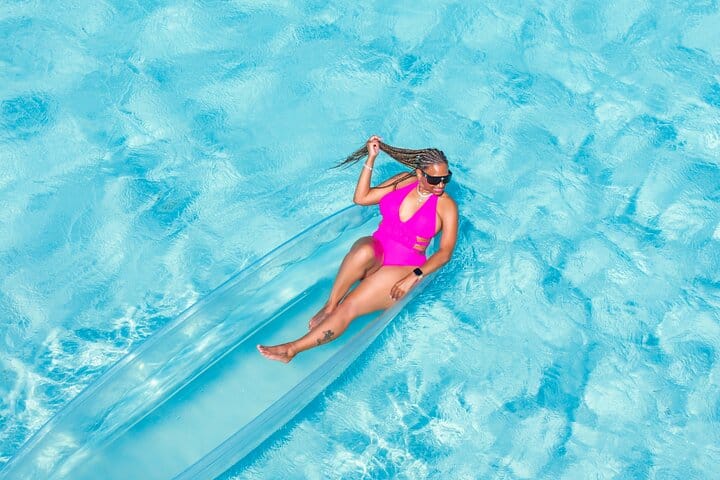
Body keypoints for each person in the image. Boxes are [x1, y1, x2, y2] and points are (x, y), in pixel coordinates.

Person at [257, 135, 458, 362]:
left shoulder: (446, 206)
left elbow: (445, 252)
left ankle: (292, 349)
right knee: (362, 251)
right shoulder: (403, 180)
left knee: (349, 306)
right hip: (377, 251)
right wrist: (371, 159)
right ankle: (330, 305)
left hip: (404, 266)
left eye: (446, 178)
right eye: (434, 179)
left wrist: (414, 276)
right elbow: (362, 198)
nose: (441, 185)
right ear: (420, 174)